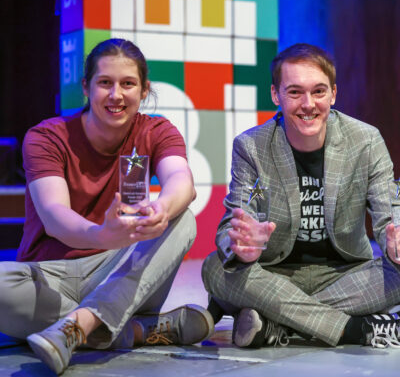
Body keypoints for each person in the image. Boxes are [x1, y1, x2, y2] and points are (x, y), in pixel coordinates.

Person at [0, 38, 214, 374]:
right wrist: (102, 234)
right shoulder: (47, 137)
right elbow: (55, 218)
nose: (116, 95)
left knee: (182, 217)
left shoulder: (157, 130)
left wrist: (162, 209)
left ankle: (77, 327)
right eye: (105, 83)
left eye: (128, 84)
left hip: (122, 268)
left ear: (144, 90)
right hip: (50, 276)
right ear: (86, 88)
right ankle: (138, 330)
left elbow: (181, 182)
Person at [202, 43, 400, 349]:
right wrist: (243, 247)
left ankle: (273, 323)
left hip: (345, 276)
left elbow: (391, 215)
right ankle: (355, 329)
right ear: (275, 95)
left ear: (333, 94)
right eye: (295, 92)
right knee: (215, 268)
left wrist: (396, 240)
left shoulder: (366, 140)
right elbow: (233, 227)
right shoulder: (251, 147)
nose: (308, 104)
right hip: (272, 274)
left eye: (318, 92)